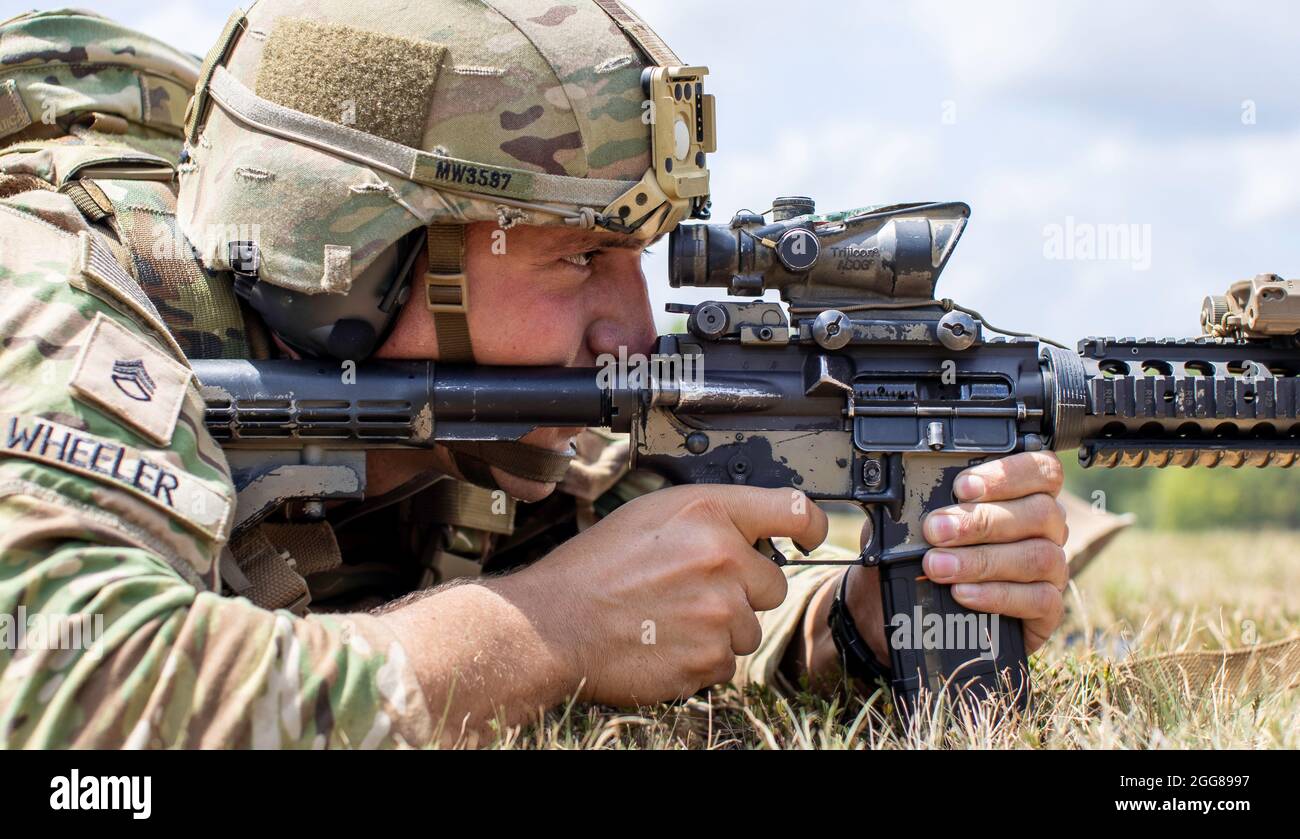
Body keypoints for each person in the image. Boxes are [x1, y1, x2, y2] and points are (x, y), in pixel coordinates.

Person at [0, 2, 1068, 748]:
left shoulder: (516, 411)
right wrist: (539, 632)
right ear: (367, 253)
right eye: (579, 257)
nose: (633, 326)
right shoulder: (60, 303)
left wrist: (850, 625)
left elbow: (654, 597)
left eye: (639, 258)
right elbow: (67, 698)